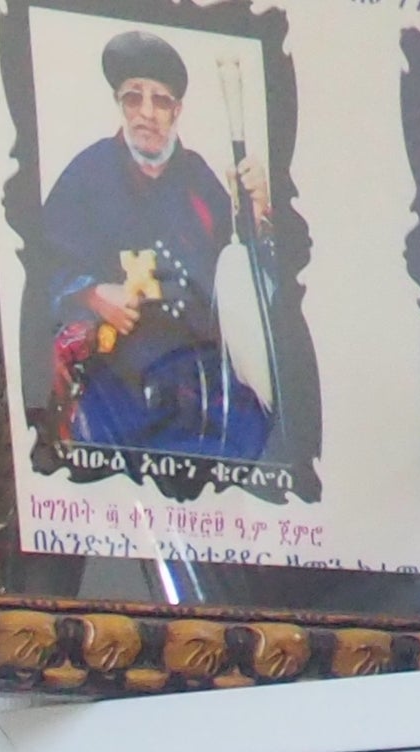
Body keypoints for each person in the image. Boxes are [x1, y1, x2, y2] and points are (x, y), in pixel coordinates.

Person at [37, 27, 276, 461]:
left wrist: (258, 216)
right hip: (113, 382)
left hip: (199, 385)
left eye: (160, 100)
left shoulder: (200, 181)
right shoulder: (86, 175)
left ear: (176, 110)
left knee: (260, 435)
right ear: (120, 105)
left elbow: (243, 279)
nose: (146, 113)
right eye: (133, 97)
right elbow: (38, 266)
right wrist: (92, 294)